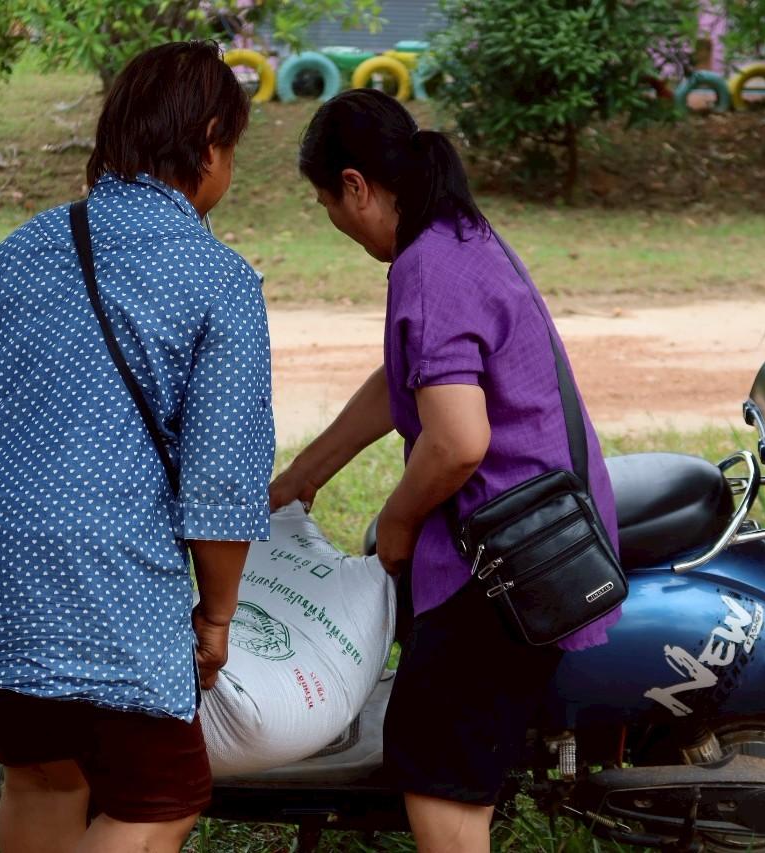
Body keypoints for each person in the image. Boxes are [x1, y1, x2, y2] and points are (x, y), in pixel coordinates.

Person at [0, 42, 274, 853]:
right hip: (92, 563)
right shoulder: (219, 278)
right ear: (209, 139)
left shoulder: (10, 257)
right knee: (162, 795)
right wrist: (216, 618)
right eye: (233, 152)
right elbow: (221, 479)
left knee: (48, 773)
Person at [269, 89, 621, 853]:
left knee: (435, 771)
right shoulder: (457, 238)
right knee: (443, 756)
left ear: (356, 186)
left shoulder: (429, 266)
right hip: (532, 528)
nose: (332, 219)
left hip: (505, 558)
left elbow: (459, 439)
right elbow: (410, 377)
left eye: (327, 200)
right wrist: (307, 471)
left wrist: (395, 521)